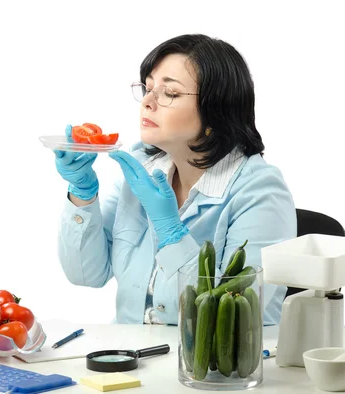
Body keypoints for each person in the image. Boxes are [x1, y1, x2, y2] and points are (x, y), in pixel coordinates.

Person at [52, 34, 297, 326]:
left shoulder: (261, 190)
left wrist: (172, 232)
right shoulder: (141, 168)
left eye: (169, 93)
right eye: (149, 87)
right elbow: (86, 274)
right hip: (132, 356)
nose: (147, 102)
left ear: (215, 109)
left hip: (213, 369)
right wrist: (82, 195)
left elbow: (228, 317)